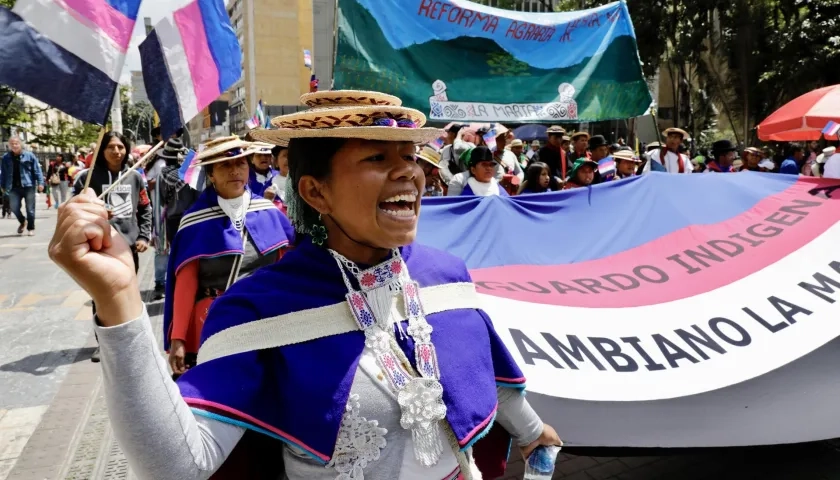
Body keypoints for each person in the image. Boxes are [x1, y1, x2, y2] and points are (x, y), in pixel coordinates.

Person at [49, 89, 560, 479]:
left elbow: (478, 370)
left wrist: (534, 431)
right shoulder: (257, 309)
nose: (408, 173)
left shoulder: (446, 274)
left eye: (410, 156)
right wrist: (117, 300)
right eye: (378, 159)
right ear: (316, 191)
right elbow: (180, 465)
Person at [164, 136, 295, 379]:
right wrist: (178, 338)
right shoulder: (194, 222)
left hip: (264, 320)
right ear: (211, 174)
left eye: (241, 164)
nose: (234, 171)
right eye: (225, 165)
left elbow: (287, 273)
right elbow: (185, 284)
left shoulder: (270, 213)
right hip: (211, 323)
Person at [72, 131, 151, 362]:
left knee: (128, 293)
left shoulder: (135, 177)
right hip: (99, 247)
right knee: (101, 296)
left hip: (129, 248)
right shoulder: (86, 179)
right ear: (101, 151)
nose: (117, 152)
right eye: (111, 147)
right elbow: (73, 210)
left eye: (121, 147)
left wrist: (144, 236)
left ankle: (127, 340)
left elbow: (145, 208)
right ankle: (103, 344)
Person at [1, 136, 44, 235]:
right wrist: (2, 185)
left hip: (28, 185)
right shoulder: (5, 158)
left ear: (20, 144)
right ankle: (22, 221)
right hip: (13, 187)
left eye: (16, 143)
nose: (14, 145)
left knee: (30, 208)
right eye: (12, 144)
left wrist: (41, 183)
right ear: (9, 145)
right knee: (13, 207)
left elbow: (37, 170)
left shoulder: (29, 155)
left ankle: (30, 228)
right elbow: (3, 173)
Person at [267, 141, 289, 207]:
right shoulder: (269, 185)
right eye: (285, 155)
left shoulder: (303, 183)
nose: (289, 159)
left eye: (293, 155)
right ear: (276, 162)